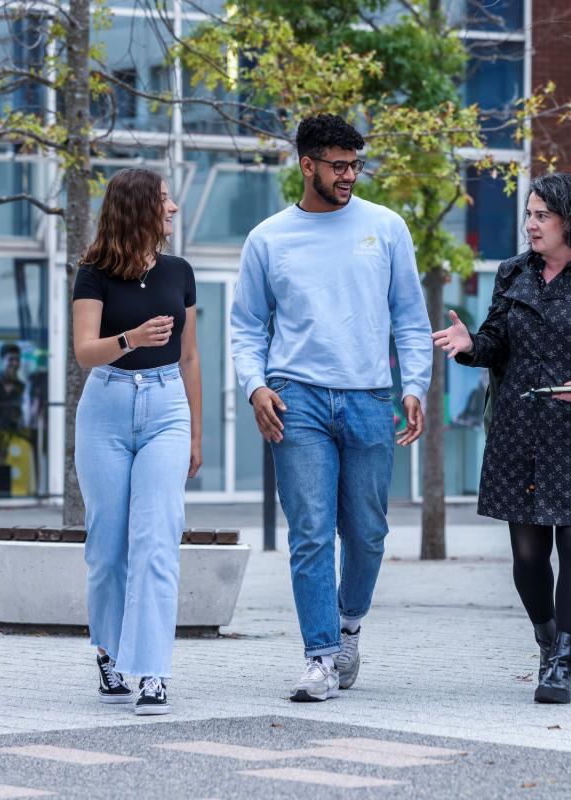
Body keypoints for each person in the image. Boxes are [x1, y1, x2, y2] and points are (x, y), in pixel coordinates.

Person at [231, 114, 431, 702]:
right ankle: (319, 655)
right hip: (297, 399)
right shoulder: (269, 238)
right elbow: (245, 327)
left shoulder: (386, 227)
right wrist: (254, 385)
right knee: (311, 533)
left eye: (354, 165)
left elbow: (410, 320)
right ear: (307, 164)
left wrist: (414, 385)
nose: (348, 175)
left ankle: (348, 626)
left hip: (370, 397)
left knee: (367, 533)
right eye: (337, 165)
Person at [433, 172, 571, 705]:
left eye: (540, 215)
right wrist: (470, 344)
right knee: (527, 554)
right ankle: (546, 641)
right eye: (528, 214)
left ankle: (562, 661)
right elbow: (497, 341)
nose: (530, 224)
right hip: (519, 432)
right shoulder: (512, 273)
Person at [71, 167, 202, 716]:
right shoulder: (94, 271)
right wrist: (131, 339)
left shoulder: (179, 272)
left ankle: (151, 672)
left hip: (167, 407)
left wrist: (195, 430)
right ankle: (108, 650)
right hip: (106, 407)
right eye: (165, 200)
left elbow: (190, 355)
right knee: (108, 545)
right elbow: (84, 352)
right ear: (139, 207)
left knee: (157, 538)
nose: (172, 209)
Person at [0, 343, 25, 429]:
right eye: (11, 359)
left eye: (17, 360)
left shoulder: (23, 388)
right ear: (2, 361)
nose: (15, 363)